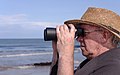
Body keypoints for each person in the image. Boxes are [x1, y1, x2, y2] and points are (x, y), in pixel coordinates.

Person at [50, 7, 120, 75]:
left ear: (104, 36)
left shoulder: (114, 67)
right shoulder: (96, 62)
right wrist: (57, 54)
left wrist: (66, 55)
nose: (78, 39)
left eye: (84, 33)